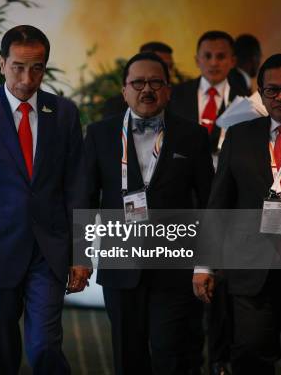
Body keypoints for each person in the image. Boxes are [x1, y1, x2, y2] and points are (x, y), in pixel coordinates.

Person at [0, 25, 91, 374]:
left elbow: (77, 187)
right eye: (18, 67)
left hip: (48, 251)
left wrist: (81, 253)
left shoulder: (65, 113)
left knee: (44, 347)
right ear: (1, 63)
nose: (27, 78)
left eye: (37, 67)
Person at [82, 52, 214, 375]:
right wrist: (81, 256)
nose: (147, 90)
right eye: (138, 82)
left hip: (174, 267)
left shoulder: (192, 136)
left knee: (171, 352)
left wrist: (205, 264)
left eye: (156, 82)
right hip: (120, 267)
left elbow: (211, 203)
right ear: (124, 90)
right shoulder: (100, 134)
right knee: (128, 356)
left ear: (168, 90)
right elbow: (84, 198)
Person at [193, 54, 281, 374]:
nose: (280, 97)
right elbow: (219, 203)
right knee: (250, 354)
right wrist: (205, 264)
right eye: (272, 90)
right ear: (261, 93)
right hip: (251, 270)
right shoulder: (240, 136)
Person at [169, 31, 249, 153]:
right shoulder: (176, 94)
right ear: (197, 60)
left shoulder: (244, 100)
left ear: (233, 61)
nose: (214, 63)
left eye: (221, 56)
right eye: (207, 56)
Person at [103, 41, 179, 120]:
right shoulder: (115, 106)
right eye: (162, 66)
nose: (170, 72)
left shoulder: (180, 99)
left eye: (171, 67)